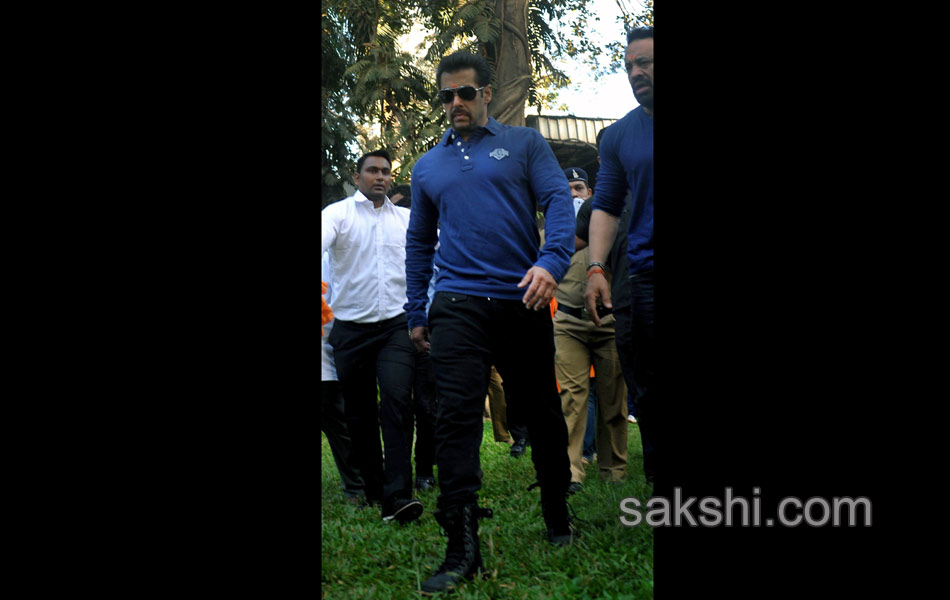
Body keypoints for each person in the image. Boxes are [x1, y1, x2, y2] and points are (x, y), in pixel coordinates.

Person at [404, 50, 577, 594]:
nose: (455, 102)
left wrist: (550, 263)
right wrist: (416, 309)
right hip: (456, 303)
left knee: (541, 411)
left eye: (465, 93)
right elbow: (419, 243)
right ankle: (461, 543)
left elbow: (558, 202)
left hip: (521, 298)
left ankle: (558, 514)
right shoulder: (427, 166)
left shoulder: (524, 144)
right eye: (446, 95)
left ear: (485, 94)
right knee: (455, 415)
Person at [322, 149, 424, 523]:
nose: (380, 177)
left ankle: (399, 496)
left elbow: (441, 248)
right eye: (372, 171)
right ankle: (374, 488)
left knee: (397, 402)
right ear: (357, 176)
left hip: (395, 327)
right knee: (359, 414)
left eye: (385, 171)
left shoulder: (408, 220)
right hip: (350, 330)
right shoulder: (337, 215)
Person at [584, 26, 654, 482]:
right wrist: (596, 267)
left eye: (644, 62)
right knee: (646, 390)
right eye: (629, 66)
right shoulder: (619, 135)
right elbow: (606, 205)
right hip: (642, 279)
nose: (635, 73)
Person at [554, 167, 628, 495]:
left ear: (590, 191)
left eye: (578, 187)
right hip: (568, 322)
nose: (573, 193)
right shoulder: (552, 229)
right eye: (567, 188)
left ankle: (614, 471)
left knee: (613, 400)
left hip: (610, 322)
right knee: (572, 397)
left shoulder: (614, 219)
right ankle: (571, 471)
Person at [321, 252, 366, 505]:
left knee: (339, 425)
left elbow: (334, 307)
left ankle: (357, 485)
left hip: (326, 357)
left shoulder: (329, 258)